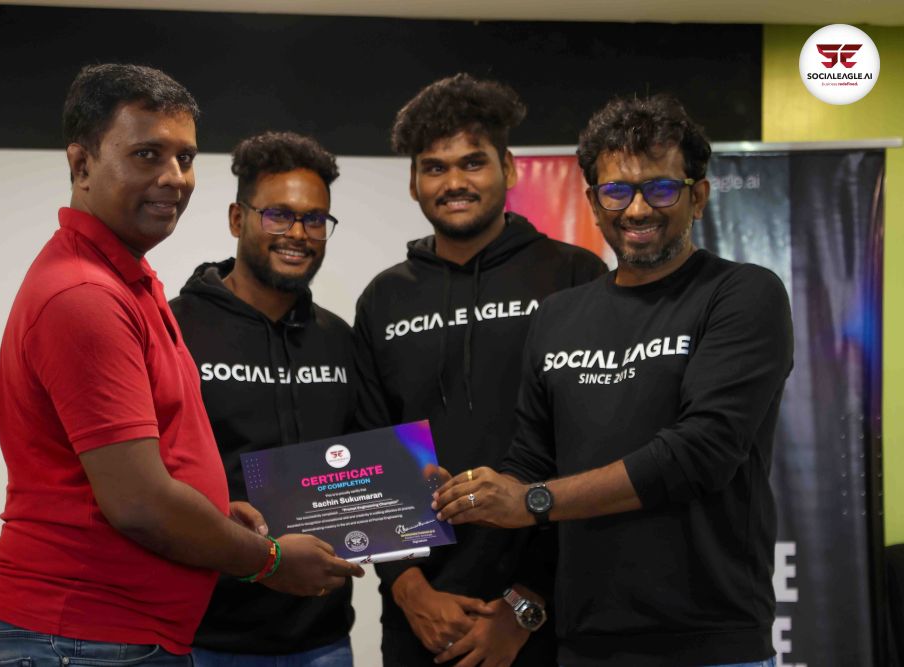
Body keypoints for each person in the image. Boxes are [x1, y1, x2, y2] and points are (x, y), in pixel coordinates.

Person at [0, 64, 362, 667]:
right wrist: (271, 562)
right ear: (81, 165)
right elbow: (139, 504)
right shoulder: (85, 295)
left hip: (112, 634)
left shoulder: (128, 281)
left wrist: (215, 509)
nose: (174, 177)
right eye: (147, 154)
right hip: (80, 636)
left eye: (186, 157)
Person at [432, 94, 794, 667]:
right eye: (617, 191)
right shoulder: (558, 316)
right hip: (585, 641)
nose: (638, 209)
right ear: (594, 203)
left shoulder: (742, 294)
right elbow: (533, 458)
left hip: (709, 641)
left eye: (661, 188)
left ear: (698, 196)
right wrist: (469, 492)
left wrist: (532, 500)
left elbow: (701, 451)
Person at [353, 73, 607, 667]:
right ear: (413, 182)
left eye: (473, 162)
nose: (454, 183)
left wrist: (527, 602)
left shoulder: (575, 276)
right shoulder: (383, 298)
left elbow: (595, 448)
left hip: (546, 614)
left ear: (509, 168)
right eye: (435, 168)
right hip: (422, 618)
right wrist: (407, 588)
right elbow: (370, 445)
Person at [170, 131, 357, 666]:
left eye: (315, 219)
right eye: (278, 215)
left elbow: (363, 462)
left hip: (321, 641)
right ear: (237, 219)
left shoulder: (339, 340)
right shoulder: (174, 329)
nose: (298, 234)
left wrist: (413, 486)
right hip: (202, 640)